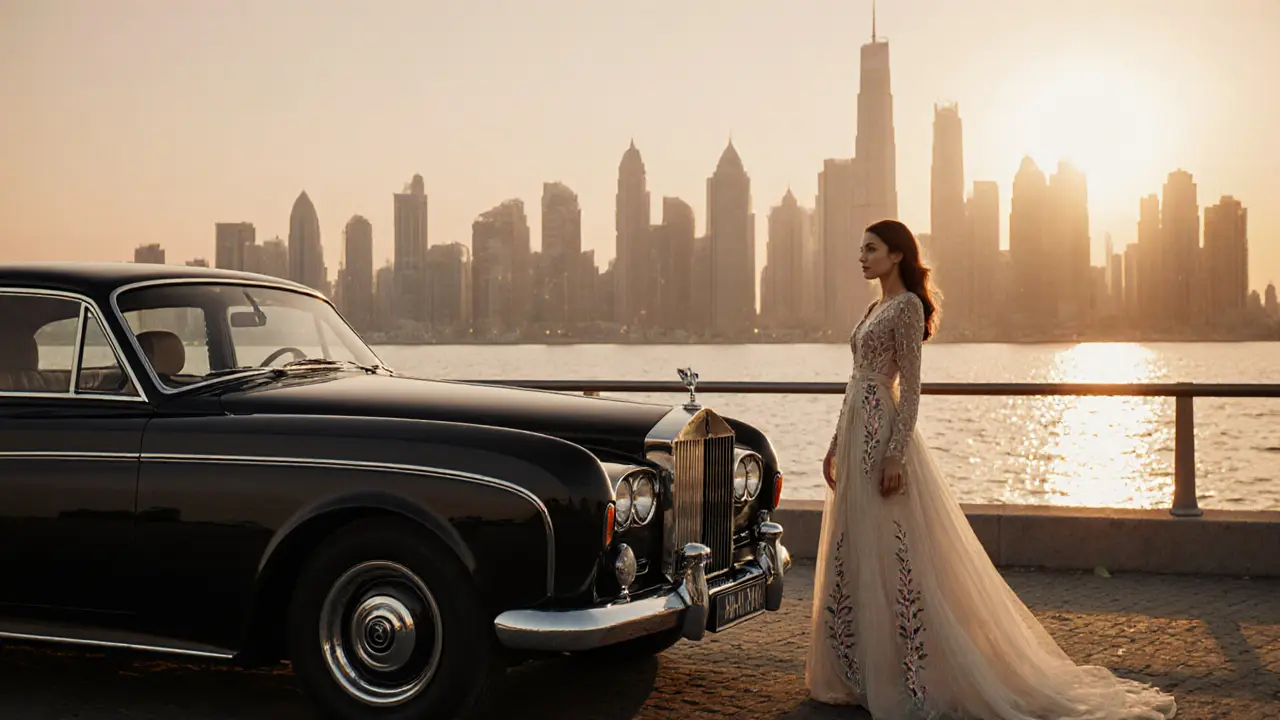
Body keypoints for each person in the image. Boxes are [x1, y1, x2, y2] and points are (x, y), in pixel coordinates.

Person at [804, 219, 1177, 719]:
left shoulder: (908, 308)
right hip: (854, 434)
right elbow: (855, 382)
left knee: (898, 555)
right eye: (861, 249)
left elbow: (910, 388)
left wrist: (895, 452)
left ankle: (910, 676)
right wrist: (833, 445)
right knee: (858, 548)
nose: (862, 257)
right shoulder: (874, 307)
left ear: (897, 255)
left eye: (871, 249)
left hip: (882, 436)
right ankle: (862, 671)